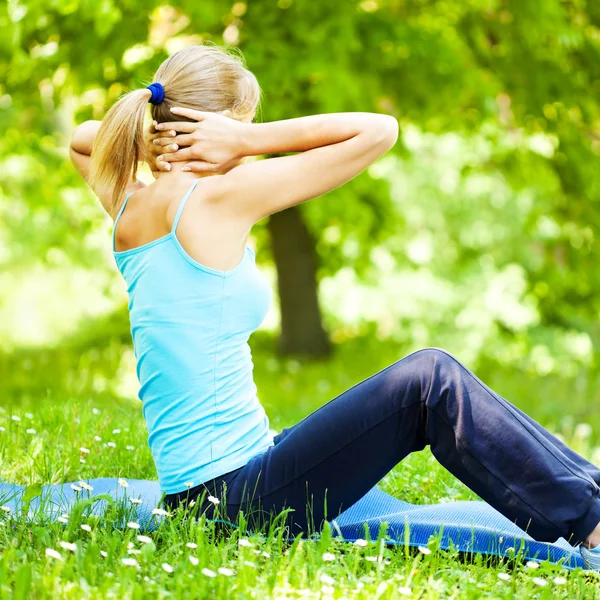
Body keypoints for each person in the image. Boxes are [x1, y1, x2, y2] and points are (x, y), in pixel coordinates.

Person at [70, 43, 600, 569]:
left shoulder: (128, 206)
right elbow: (379, 131)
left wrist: (157, 146)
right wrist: (247, 141)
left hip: (216, 489)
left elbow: (82, 142)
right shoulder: (218, 198)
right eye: (244, 125)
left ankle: (590, 493)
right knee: (428, 381)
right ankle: (590, 523)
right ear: (222, 128)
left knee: (419, 385)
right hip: (232, 504)